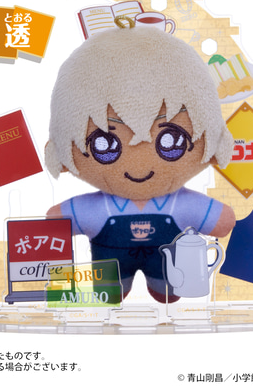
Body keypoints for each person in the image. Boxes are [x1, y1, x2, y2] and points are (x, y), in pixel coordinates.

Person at [45, 22, 236, 302]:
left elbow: (223, 222)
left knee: (168, 293)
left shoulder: (181, 204)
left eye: (171, 141)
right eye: (103, 145)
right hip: (108, 273)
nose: (139, 167)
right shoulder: (97, 208)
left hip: (169, 271)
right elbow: (54, 224)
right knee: (108, 295)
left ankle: (161, 291)